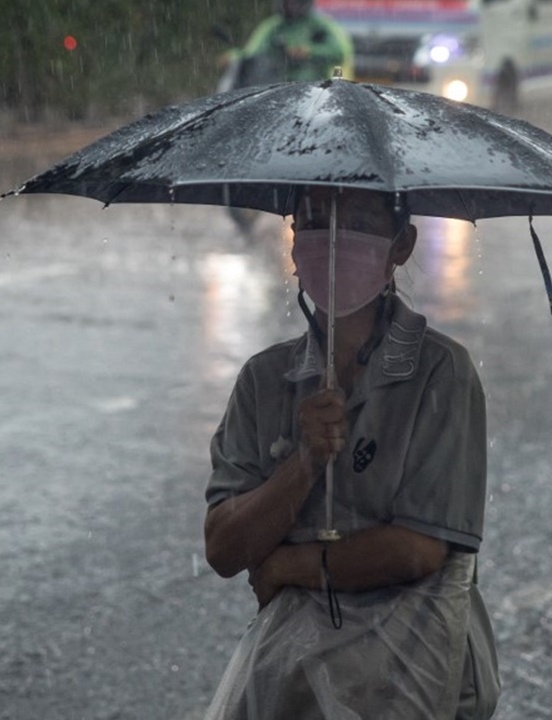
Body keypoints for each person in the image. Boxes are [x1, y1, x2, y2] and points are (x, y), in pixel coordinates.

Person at [203, 186, 499, 719]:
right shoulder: (264, 380)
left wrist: (291, 563)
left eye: (357, 218)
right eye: (314, 219)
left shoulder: (442, 373)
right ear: (294, 244)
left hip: (416, 679)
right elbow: (225, 548)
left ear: (401, 243)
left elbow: (418, 549)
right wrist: (305, 463)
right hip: (291, 684)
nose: (333, 239)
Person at [233, 0, 355, 86]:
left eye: (296, 1)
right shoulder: (274, 27)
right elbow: (253, 53)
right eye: (287, 1)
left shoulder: (319, 25)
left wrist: (310, 52)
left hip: (315, 88)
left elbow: (340, 53)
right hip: (277, 86)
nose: (291, 5)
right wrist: (234, 57)